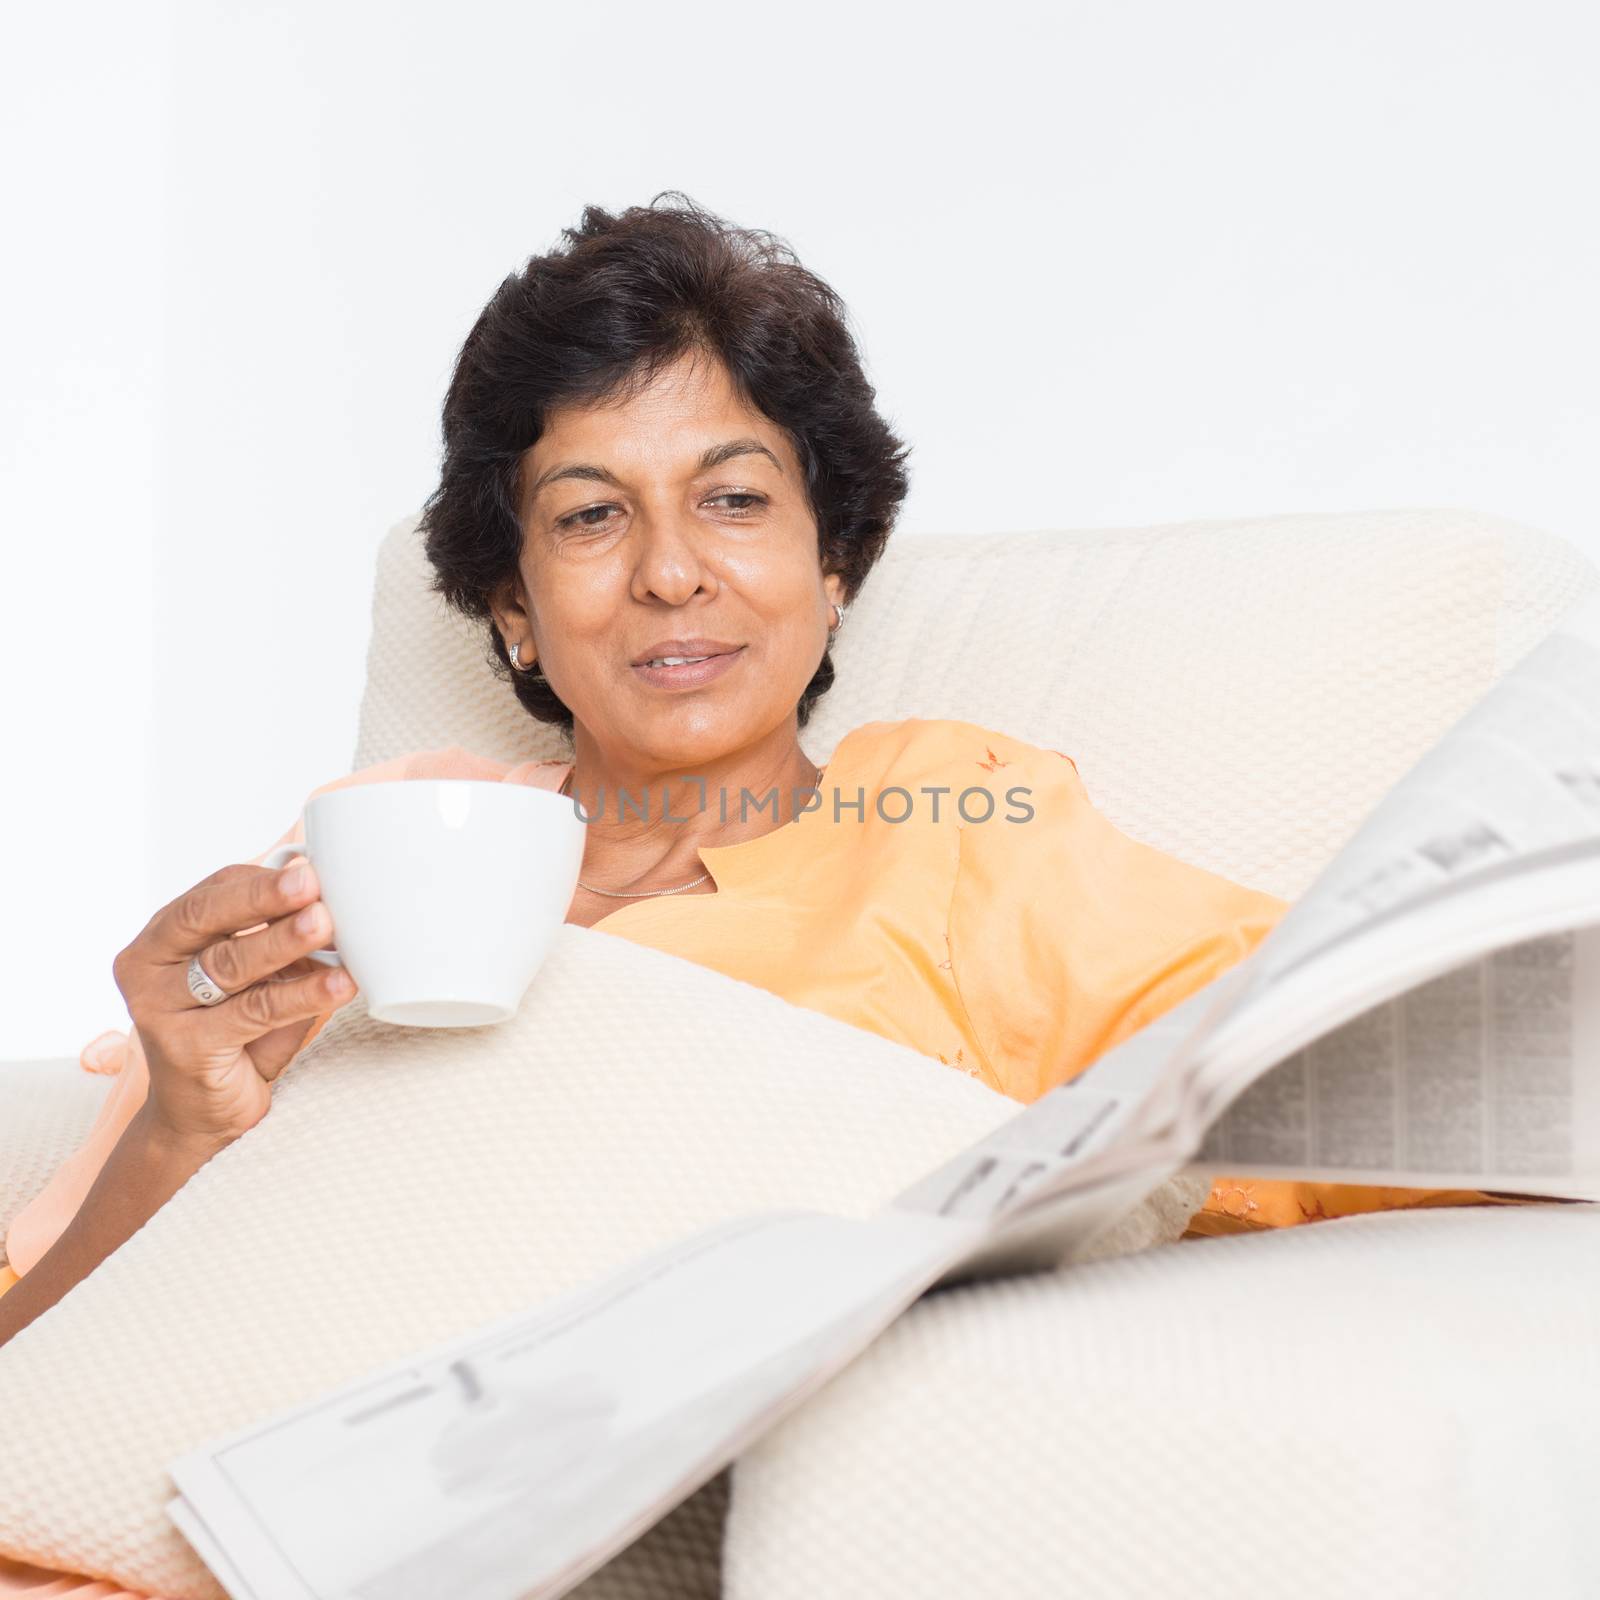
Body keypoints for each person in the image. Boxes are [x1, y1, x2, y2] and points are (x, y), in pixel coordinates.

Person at [0, 193, 1545, 1600]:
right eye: (592, 515)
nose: (672, 573)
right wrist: (176, 1129)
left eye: (734, 500)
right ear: (514, 614)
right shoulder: (373, 854)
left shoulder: (958, 823)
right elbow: (37, 1364)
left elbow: (1344, 1078)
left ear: (837, 565)